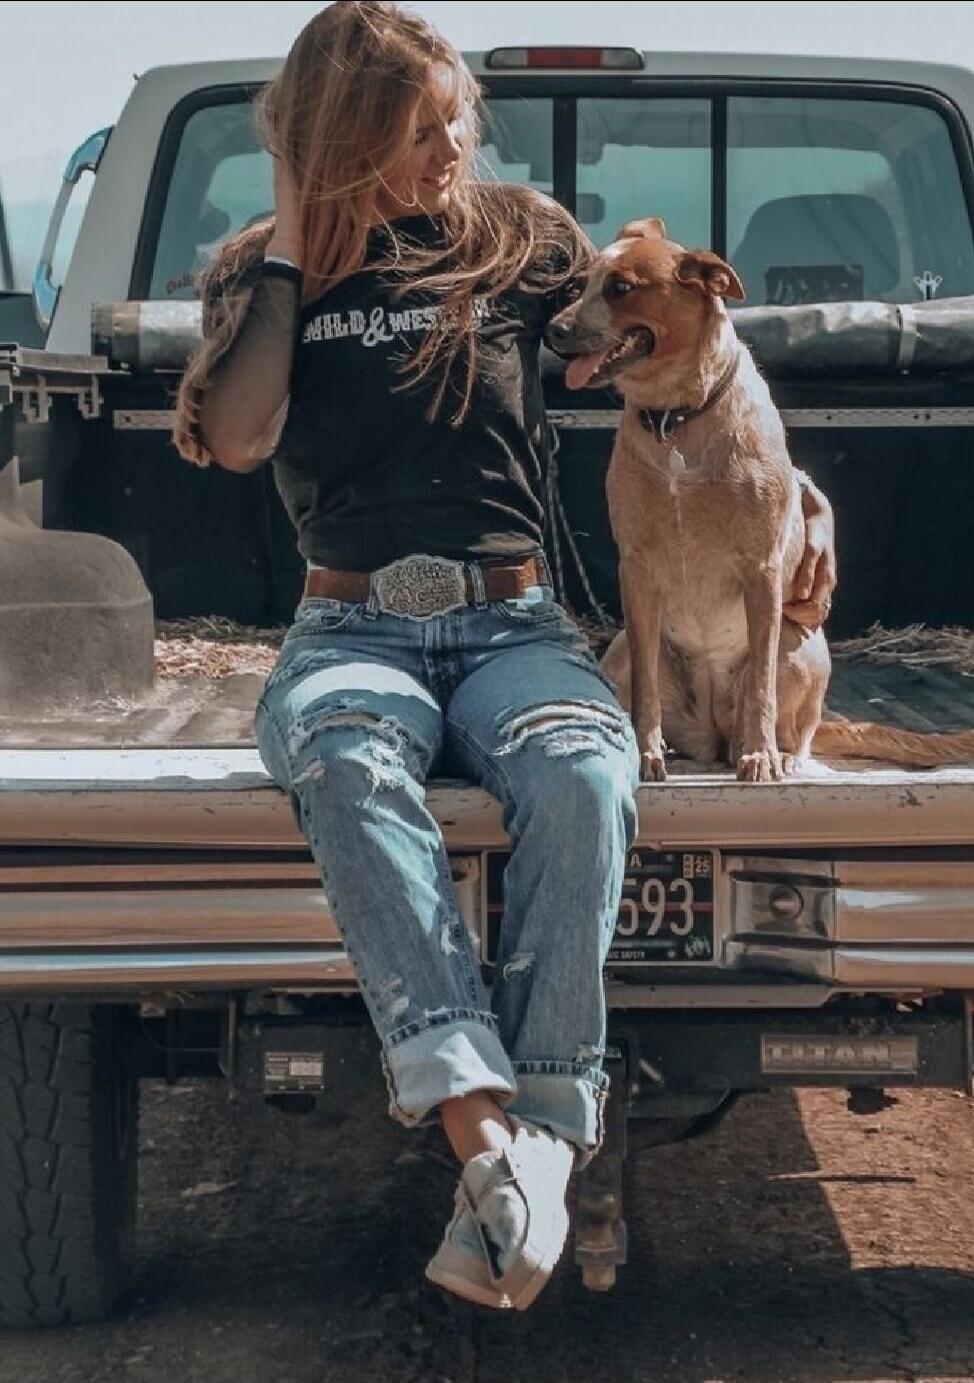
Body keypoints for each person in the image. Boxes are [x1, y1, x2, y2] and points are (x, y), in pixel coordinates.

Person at [174, 1, 837, 1311]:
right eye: (426, 126)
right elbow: (241, 438)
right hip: (352, 624)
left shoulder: (519, 241)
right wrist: (298, 257)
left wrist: (798, 492)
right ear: (348, 131)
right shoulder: (260, 269)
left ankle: (534, 1126)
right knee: (346, 759)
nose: (456, 142)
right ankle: (503, 1149)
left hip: (511, 625)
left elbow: (670, 360)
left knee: (586, 773)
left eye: (458, 116)